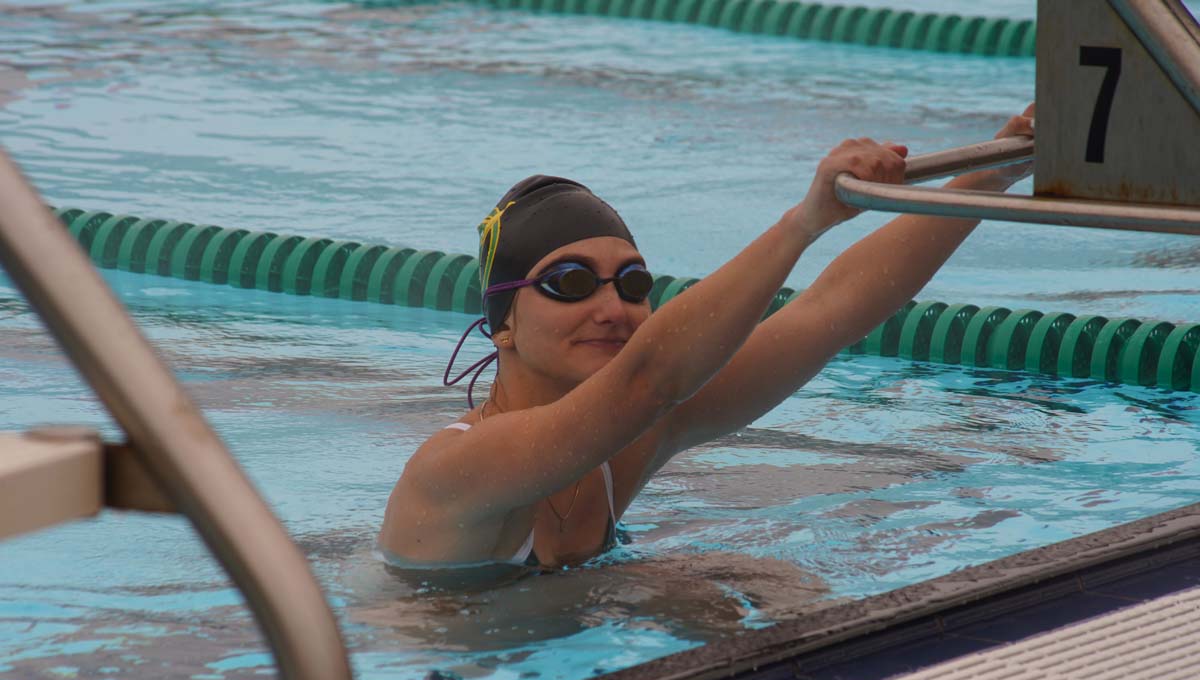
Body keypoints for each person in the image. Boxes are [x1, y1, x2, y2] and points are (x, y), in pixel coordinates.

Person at [379, 106, 1036, 570]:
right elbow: (650, 376)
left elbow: (832, 309)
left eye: (633, 282)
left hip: (550, 658)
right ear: (502, 325)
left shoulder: (635, 437)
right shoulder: (455, 468)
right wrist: (804, 222)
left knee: (744, 587)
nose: (612, 307)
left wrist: (997, 168)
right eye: (572, 282)